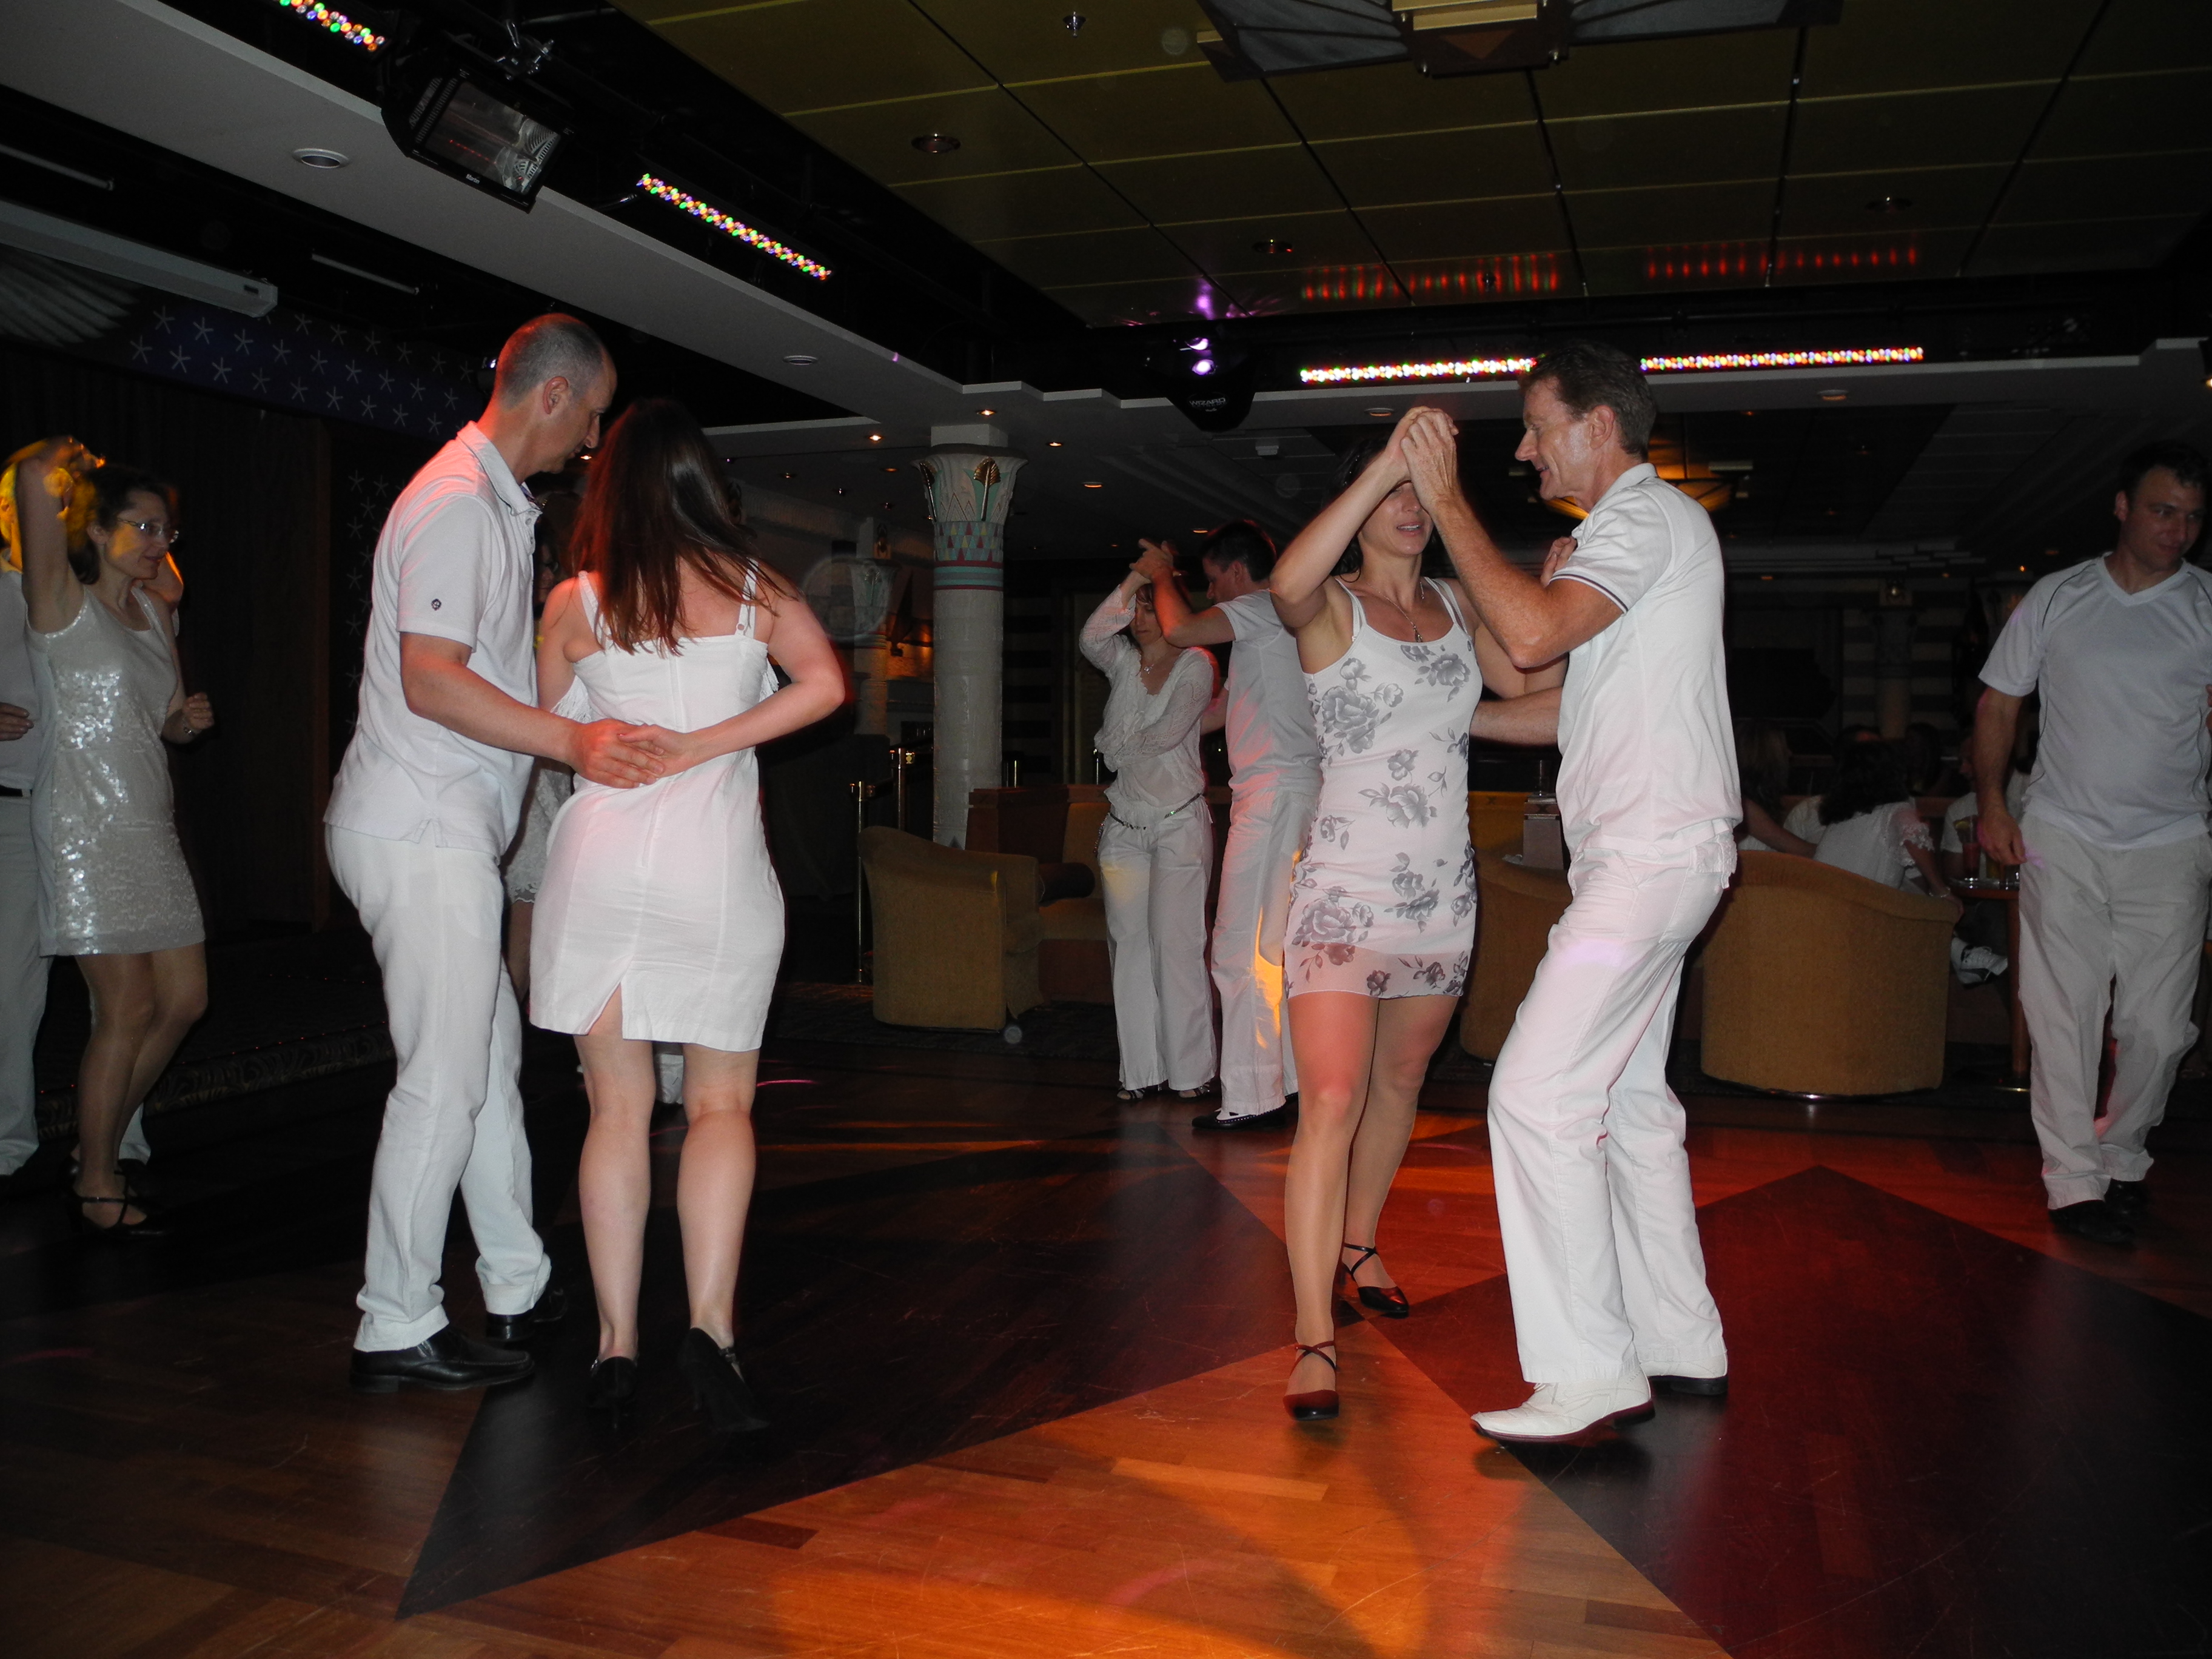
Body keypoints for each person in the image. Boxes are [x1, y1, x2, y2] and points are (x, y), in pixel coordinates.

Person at [1399, 339, 1740, 1444]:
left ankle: (1589, 1371)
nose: (1524, 449)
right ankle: (1678, 1336)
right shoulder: (1622, 539)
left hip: (1647, 862)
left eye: (1538, 427)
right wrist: (1440, 715)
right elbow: (1541, 689)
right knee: (1628, 1106)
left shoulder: (1643, 517)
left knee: (1534, 1096)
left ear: (1599, 425)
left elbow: (1535, 630)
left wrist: (1445, 499)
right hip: (1653, 859)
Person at [326, 314, 666, 1393]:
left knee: (483, 1070)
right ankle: (394, 1321)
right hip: (419, 827)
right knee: (442, 1079)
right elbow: (431, 678)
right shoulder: (457, 504)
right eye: (593, 414)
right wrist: (572, 743)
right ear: (553, 395)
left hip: (441, 827)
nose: (594, 439)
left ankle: (516, 1279)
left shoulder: (492, 503)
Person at [531, 398, 843, 1424]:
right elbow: (825, 687)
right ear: (704, 484)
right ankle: (711, 1328)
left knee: (616, 1109)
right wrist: (709, 743)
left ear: (606, 487)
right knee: (719, 1107)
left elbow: (555, 736)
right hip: (713, 866)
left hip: (601, 863)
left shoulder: (575, 601)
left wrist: (624, 736)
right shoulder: (755, 589)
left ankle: (615, 1344)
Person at [1267, 427, 1558, 1422]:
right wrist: (1387, 460)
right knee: (1330, 1097)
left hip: (1440, 896)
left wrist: (1565, 606)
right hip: (1344, 894)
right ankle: (1313, 1336)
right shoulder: (1330, 605)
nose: (1410, 506)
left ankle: (1360, 1244)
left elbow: (1539, 694)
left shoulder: (1456, 603)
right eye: (1394, 488)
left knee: (1398, 1084)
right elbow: (1284, 583)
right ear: (1360, 497)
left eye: (1422, 490)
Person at [1974, 441, 2212, 1248]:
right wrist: (1992, 803)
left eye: (2192, 517)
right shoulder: (2058, 597)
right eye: (2162, 511)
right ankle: (2073, 1180)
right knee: (2065, 1012)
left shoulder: (2206, 606)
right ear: (2121, 508)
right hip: (2063, 833)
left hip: (2172, 843)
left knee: (2159, 1029)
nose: (2178, 531)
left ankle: (2122, 1152)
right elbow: (1999, 704)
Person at [11, 443, 213, 1236]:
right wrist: (59, 458)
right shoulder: (60, 603)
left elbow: (165, 723)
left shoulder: (154, 615)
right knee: (126, 1008)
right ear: (97, 530)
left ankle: (94, 1144)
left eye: (167, 530)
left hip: (148, 824)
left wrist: (186, 722)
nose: (161, 543)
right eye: (144, 527)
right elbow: (35, 488)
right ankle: (97, 1180)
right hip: (84, 824)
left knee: (185, 1000)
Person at [1141, 521, 1320, 1133]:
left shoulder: (1262, 606)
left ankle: (1251, 1096)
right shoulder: (1284, 620)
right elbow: (1226, 711)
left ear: (1238, 571)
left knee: (1241, 947)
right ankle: (1286, 1083)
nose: (1212, 592)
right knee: (1277, 949)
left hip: (1274, 796)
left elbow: (1182, 630)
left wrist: (1161, 578)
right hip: (1294, 792)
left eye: (1214, 580)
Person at [1081, 569, 1220, 1104]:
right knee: (1131, 949)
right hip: (1124, 826)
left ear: (1172, 609)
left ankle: (1191, 1073)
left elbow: (1169, 733)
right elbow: (1092, 636)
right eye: (1135, 609)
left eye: (1149, 607)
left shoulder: (1197, 664)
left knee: (1176, 946)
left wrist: (1111, 748)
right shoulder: (1121, 662)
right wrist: (1138, 575)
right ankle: (1141, 1072)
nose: (1139, 620)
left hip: (1177, 823)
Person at [1810, 740, 1952, 896]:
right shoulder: (1895, 812)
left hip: (1822, 900)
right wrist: (1941, 891)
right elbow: (1915, 839)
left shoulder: (1840, 820)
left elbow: (1911, 874)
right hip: (1864, 905)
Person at [1732, 719, 1814, 856]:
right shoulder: (1745, 807)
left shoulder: (1752, 801)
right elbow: (1804, 851)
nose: (1790, 753)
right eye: (1784, 748)